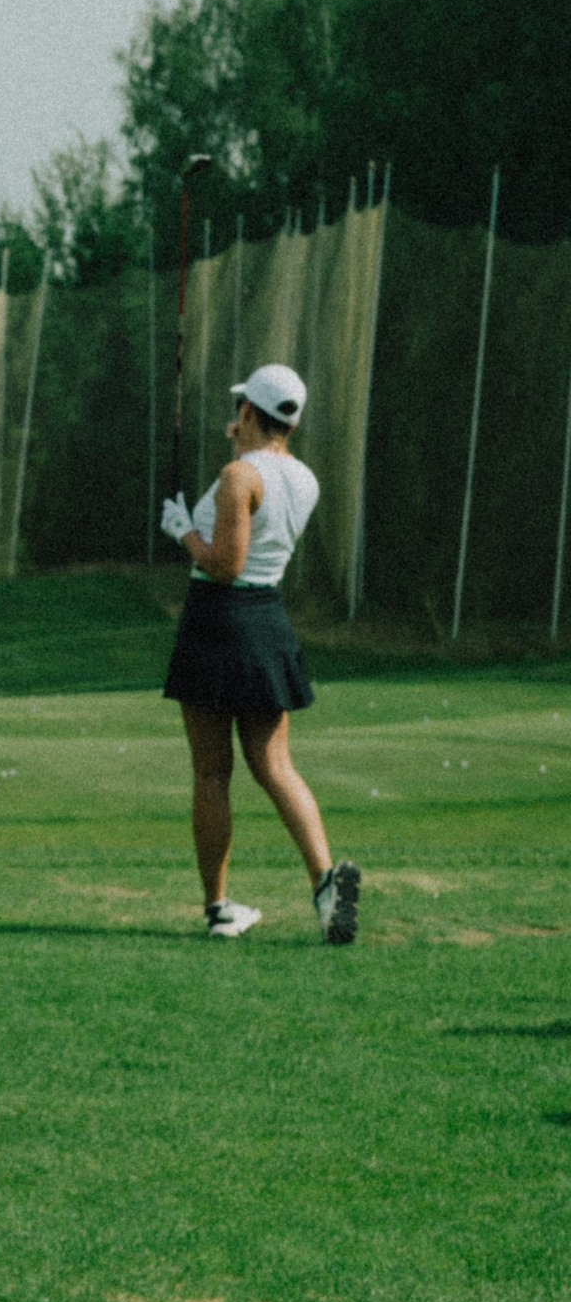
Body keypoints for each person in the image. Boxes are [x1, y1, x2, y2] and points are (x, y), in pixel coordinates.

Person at [159, 358, 359, 944]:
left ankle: (218, 906)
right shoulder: (304, 478)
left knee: (211, 772)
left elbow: (224, 565)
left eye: (239, 408)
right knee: (274, 765)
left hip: (218, 620)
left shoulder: (237, 476)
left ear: (248, 411)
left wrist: (182, 532)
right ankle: (325, 883)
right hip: (268, 621)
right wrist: (241, 451)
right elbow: (258, 490)